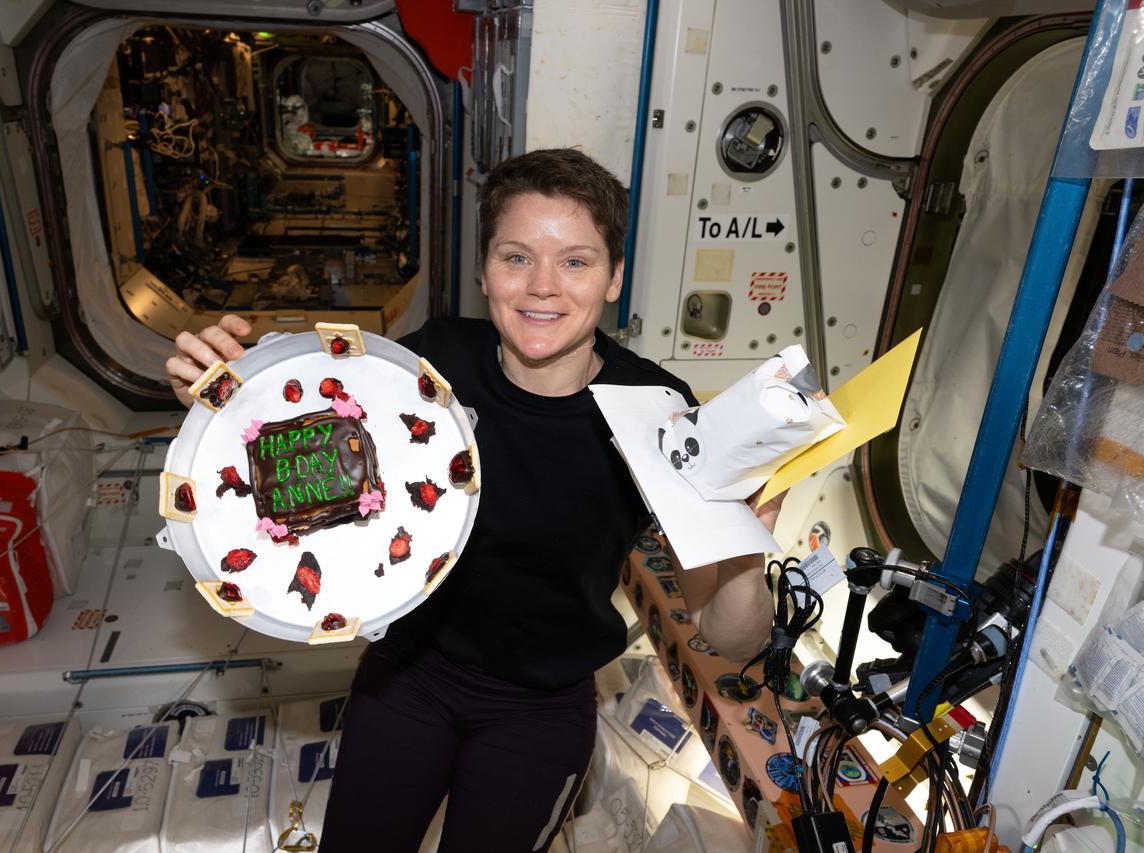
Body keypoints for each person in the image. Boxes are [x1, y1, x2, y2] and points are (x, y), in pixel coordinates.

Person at [167, 148, 780, 852]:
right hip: (410, 677)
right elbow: (302, 461)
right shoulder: (430, 364)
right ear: (484, 269)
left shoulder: (657, 412)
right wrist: (222, 399)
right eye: (516, 257)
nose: (542, 287)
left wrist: (743, 551)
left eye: (576, 262)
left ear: (614, 277)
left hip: (541, 708)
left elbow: (732, 640)